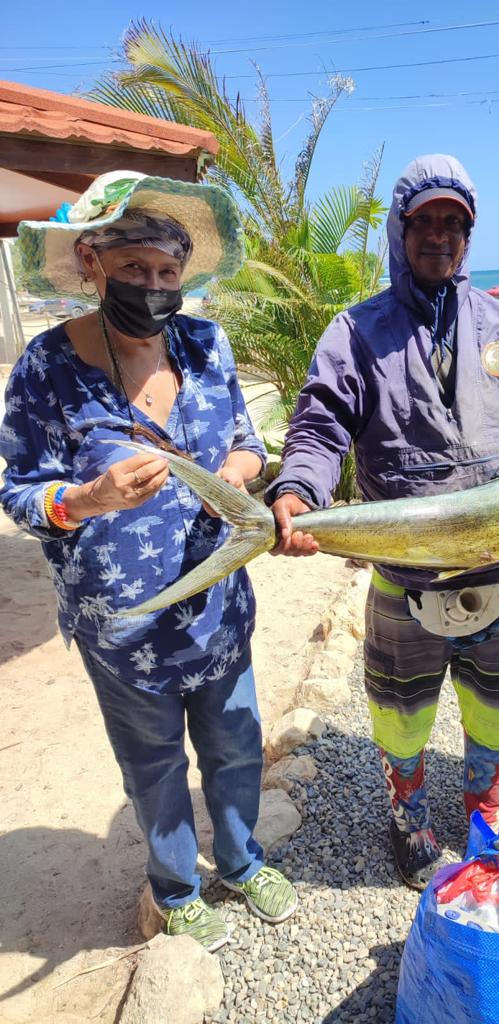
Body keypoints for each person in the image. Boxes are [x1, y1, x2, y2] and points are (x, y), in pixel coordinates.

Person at [0, 171, 297, 950]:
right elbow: (21, 490)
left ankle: (239, 857)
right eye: (135, 269)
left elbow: (247, 441)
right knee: (154, 763)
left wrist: (237, 475)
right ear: (92, 263)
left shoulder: (206, 346)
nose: (155, 286)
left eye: (169, 272)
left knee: (236, 743)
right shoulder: (45, 369)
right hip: (121, 626)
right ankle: (174, 885)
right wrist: (90, 497)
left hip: (217, 607)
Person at [265, 154, 499, 889]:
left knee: (496, 717)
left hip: (497, 582)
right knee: (401, 718)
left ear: (469, 234)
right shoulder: (356, 331)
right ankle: (408, 817)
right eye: (424, 221)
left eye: (453, 223)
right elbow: (319, 424)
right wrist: (300, 490)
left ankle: (482, 821)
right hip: (404, 580)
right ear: (400, 230)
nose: (439, 235)